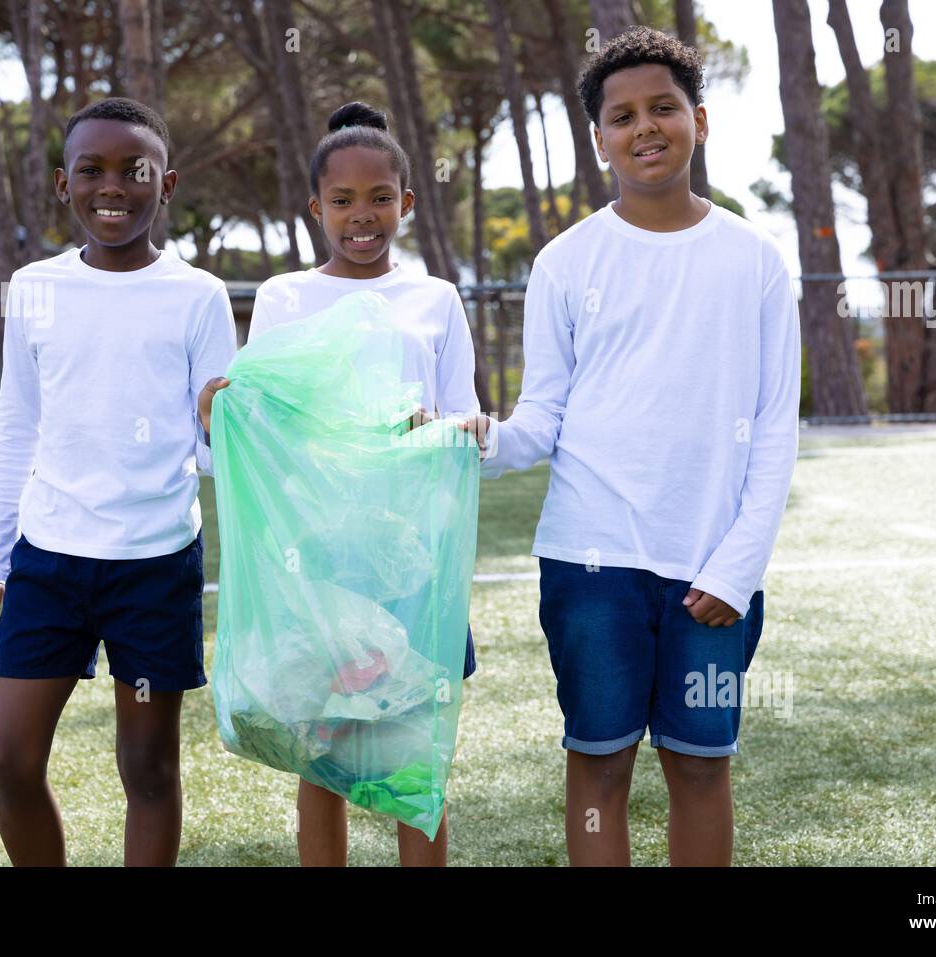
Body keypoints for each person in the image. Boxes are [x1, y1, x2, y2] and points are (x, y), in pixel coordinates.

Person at [463, 27, 800, 866]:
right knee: (599, 760)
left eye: (664, 108)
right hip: (589, 566)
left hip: (711, 572)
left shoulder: (755, 260)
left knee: (698, 766)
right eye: (622, 116)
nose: (645, 128)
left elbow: (775, 426)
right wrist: (480, 439)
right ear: (600, 136)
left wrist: (736, 567)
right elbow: (539, 418)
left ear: (701, 120)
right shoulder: (564, 262)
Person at [0, 97, 236, 866]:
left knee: (147, 770)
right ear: (63, 183)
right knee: (8, 761)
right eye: (93, 170)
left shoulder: (199, 294)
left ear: (166, 183)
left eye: (134, 170)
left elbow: (214, 450)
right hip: (49, 560)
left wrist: (221, 421)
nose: (113, 187)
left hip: (154, 565)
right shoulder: (36, 287)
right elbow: (15, 429)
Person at [246, 101, 480, 867]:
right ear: (316, 208)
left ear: (406, 203)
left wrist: (449, 430)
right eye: (342, 200)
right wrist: (221, 399)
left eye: (380, 196)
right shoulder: (284, 296)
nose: (362, 214)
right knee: (325, 760)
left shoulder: (437, 298)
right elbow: (266, 419)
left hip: (414, 559)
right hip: (319, 562)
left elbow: (464, 422)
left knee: (416, 758)